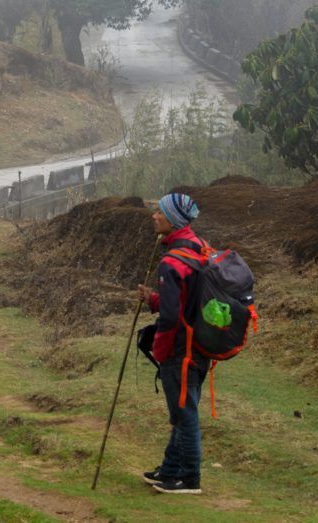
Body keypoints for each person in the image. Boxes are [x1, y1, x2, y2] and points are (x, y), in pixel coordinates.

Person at [136, 192, 209, 495]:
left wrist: (161, 351)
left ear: (174, 220)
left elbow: (169, 317)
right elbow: (185, 300)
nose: (154, 216)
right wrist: (153, 297)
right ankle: (170, 470)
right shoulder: (199, 248)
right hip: (201, 345)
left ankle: (189, 478)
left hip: (180, 351)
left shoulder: (171, 263)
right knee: (183, 409)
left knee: (184, 413)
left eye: (160, 213)